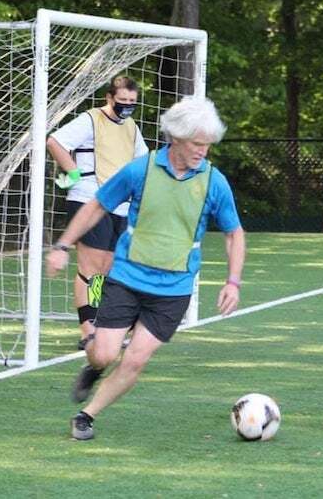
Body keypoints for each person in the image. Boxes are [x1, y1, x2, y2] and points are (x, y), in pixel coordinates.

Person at [46, 95, 245, 441]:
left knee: (135, 360)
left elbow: (234, 234)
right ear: (176, 138)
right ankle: (93, 367)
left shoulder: (214, 182)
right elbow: (96, 206)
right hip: (127, 279)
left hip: (173, 290)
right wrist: (63, 245)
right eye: (197, 144)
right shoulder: (142, 169)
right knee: (104, 354)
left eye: (208, 145)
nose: (203, 151)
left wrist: (233, 282)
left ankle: (86, 415)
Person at [47, 76, 148, 350]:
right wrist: (73, 172)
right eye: (122, 101)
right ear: (109, 97)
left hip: (121, 204)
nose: (126, 107)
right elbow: (55, 141)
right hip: (88, 199)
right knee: (91, 268)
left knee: (109, 268)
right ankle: (87, 329)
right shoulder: (90, 120)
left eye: (132, 103)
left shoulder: (131, 128)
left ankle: (104, 323)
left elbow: (142, 161)